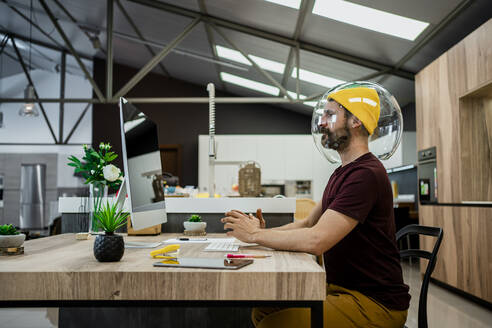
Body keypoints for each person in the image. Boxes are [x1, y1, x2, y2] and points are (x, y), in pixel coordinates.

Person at [221, 86, 410, 328]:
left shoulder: (366, 175)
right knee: (263, 308)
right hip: (339, 289)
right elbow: (308, 223)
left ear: (356, 121)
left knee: (273, 324)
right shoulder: (342, 173)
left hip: (373, 303)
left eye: (330, 115)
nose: (321, 122)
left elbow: (317, 240)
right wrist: (258, 235)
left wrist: (256, 234)